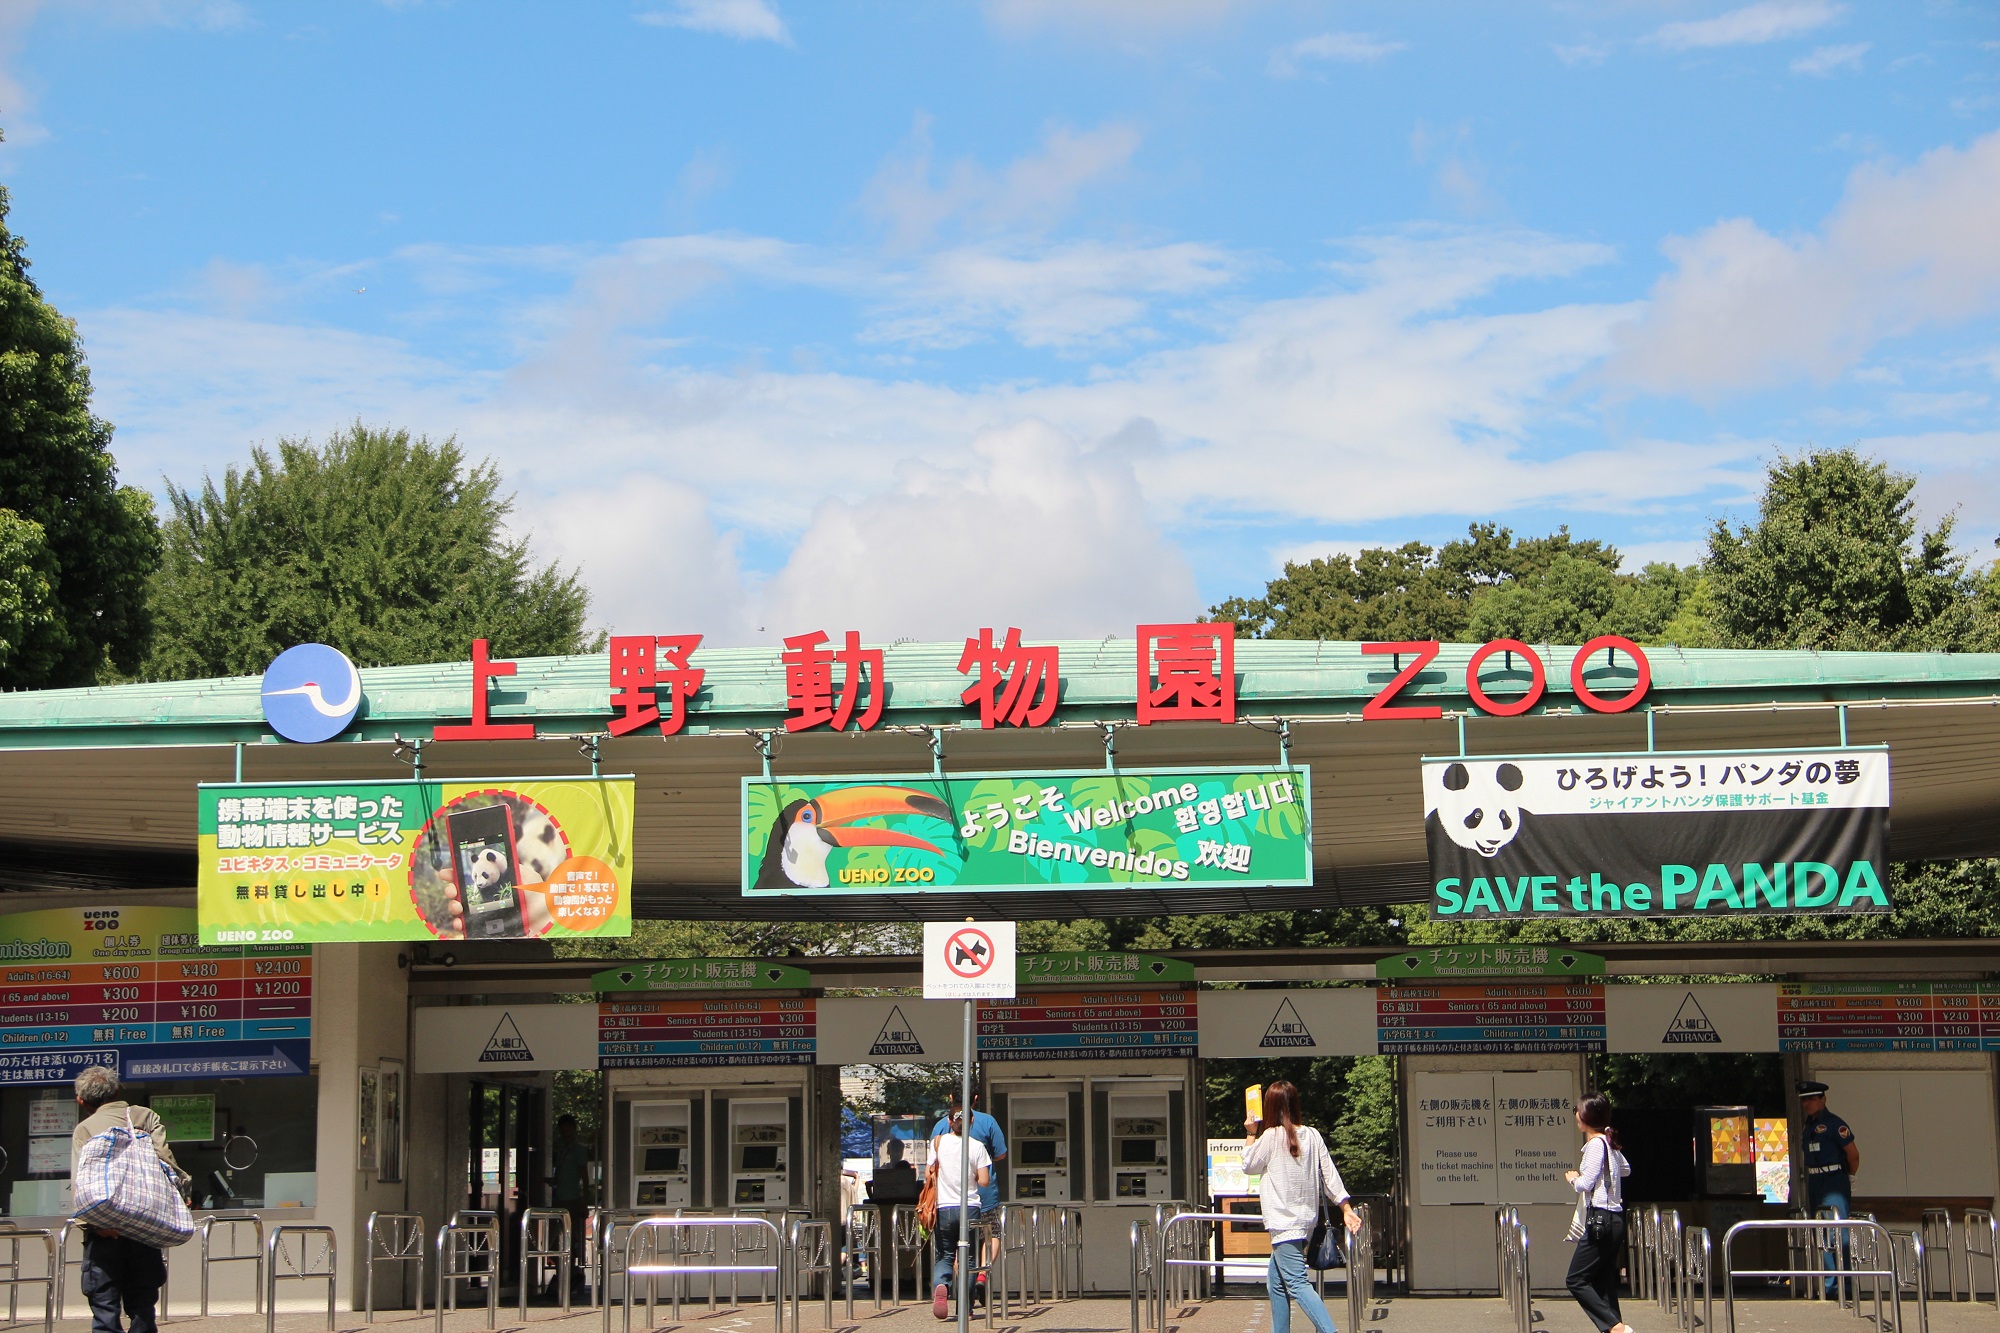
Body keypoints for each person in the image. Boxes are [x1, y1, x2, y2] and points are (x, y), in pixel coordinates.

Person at [1242, 1080, 1362, 1333]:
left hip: (1283, 1223)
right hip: (1304, 1221)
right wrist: (1346, 1208)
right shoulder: (1312, 1134)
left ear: (1269, 1107)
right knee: (1276, 1283)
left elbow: (1249, 1166)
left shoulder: (1270, 1136)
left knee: (1296, 1282)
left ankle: (1331, 1331)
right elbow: (1330, 1175)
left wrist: (1251, 1132)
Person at [70, 1067, 183, 1333]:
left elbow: (80, 1185)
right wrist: (182, 1195)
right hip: (144, 1228)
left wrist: (93, 1225)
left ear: (81, 1101)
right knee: (143, 1308)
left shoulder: (85, 1129)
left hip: (105, 1232)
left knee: (105, 1309)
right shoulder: (145, 1116)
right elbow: (166, 1161)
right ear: (119, 1090)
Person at [1563, 1094, 1633, 1333]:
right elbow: (1625, 1169)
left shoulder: (1595, 1144)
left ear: (1585, 1116)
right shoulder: (1608, 1143)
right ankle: (1615, 1328)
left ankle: (1615, 1327)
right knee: (1604, 1282)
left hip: (1600, 1219)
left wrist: (1573, 1179)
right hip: (1614, 1218)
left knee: (1576, 1279)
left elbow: (1586, 1183)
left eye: (1577, 1109)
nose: (1575, 1114)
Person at [931, 1091, 1007, 1303]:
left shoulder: (939, 1132)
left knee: (950, 1250)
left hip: (945, 1202)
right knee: (988, 1238)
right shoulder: (987, 1123)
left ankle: (950, 1286)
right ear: (975, 1097)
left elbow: (931, 1166)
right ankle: (979, 1280)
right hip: (983, 1198)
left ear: (949, 1096)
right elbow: (1001, 1154)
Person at [929, 1107, 992, 1322]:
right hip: (970, 1207)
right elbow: (984, 1181)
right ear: (972, 1122)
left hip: (944, 1206)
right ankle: (965, 1307)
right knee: (970, 1257)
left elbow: (929, 1172)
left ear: (949, 1121)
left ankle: (941, 1284)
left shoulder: (938, 1142)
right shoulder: (977, 1146)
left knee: (946, 1254)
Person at [1799, 1080, 1860, 1297]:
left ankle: (1847, 1285)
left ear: (1823, 1100)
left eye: (1812, 1099)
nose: (1807, 1103)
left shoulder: (1835, 1123)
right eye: (1804, 1100)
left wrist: (1849, 1177)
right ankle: (1830, 1285)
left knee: (1838, 1232)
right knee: (1821, 1232)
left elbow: (1852, 1154)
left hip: (1833, 1178)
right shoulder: (1808, 1126)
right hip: (1815, 1180)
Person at [545, 1114, 592, 1286]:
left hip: (572, 1199)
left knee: (571, 1238)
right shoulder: (562, 1150)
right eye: (562, 1130)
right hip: (559, 1199)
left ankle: (571, 1274)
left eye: (567, 1129)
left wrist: (584, 1201)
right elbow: (558, 1178)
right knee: (555, 1239)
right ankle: (562, 1272)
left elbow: (585, 1178)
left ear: (573, 1129)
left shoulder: (579, 1150)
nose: (565, 1133)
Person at [869, 1135, 920, 1204]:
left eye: (900, 1151)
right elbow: (870, 1184)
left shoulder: (904, 1166)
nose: (897, 1154)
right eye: (895, 1150)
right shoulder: (884, 1168)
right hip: (886, 1203)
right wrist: (874, 1201)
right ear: (889, 1151)